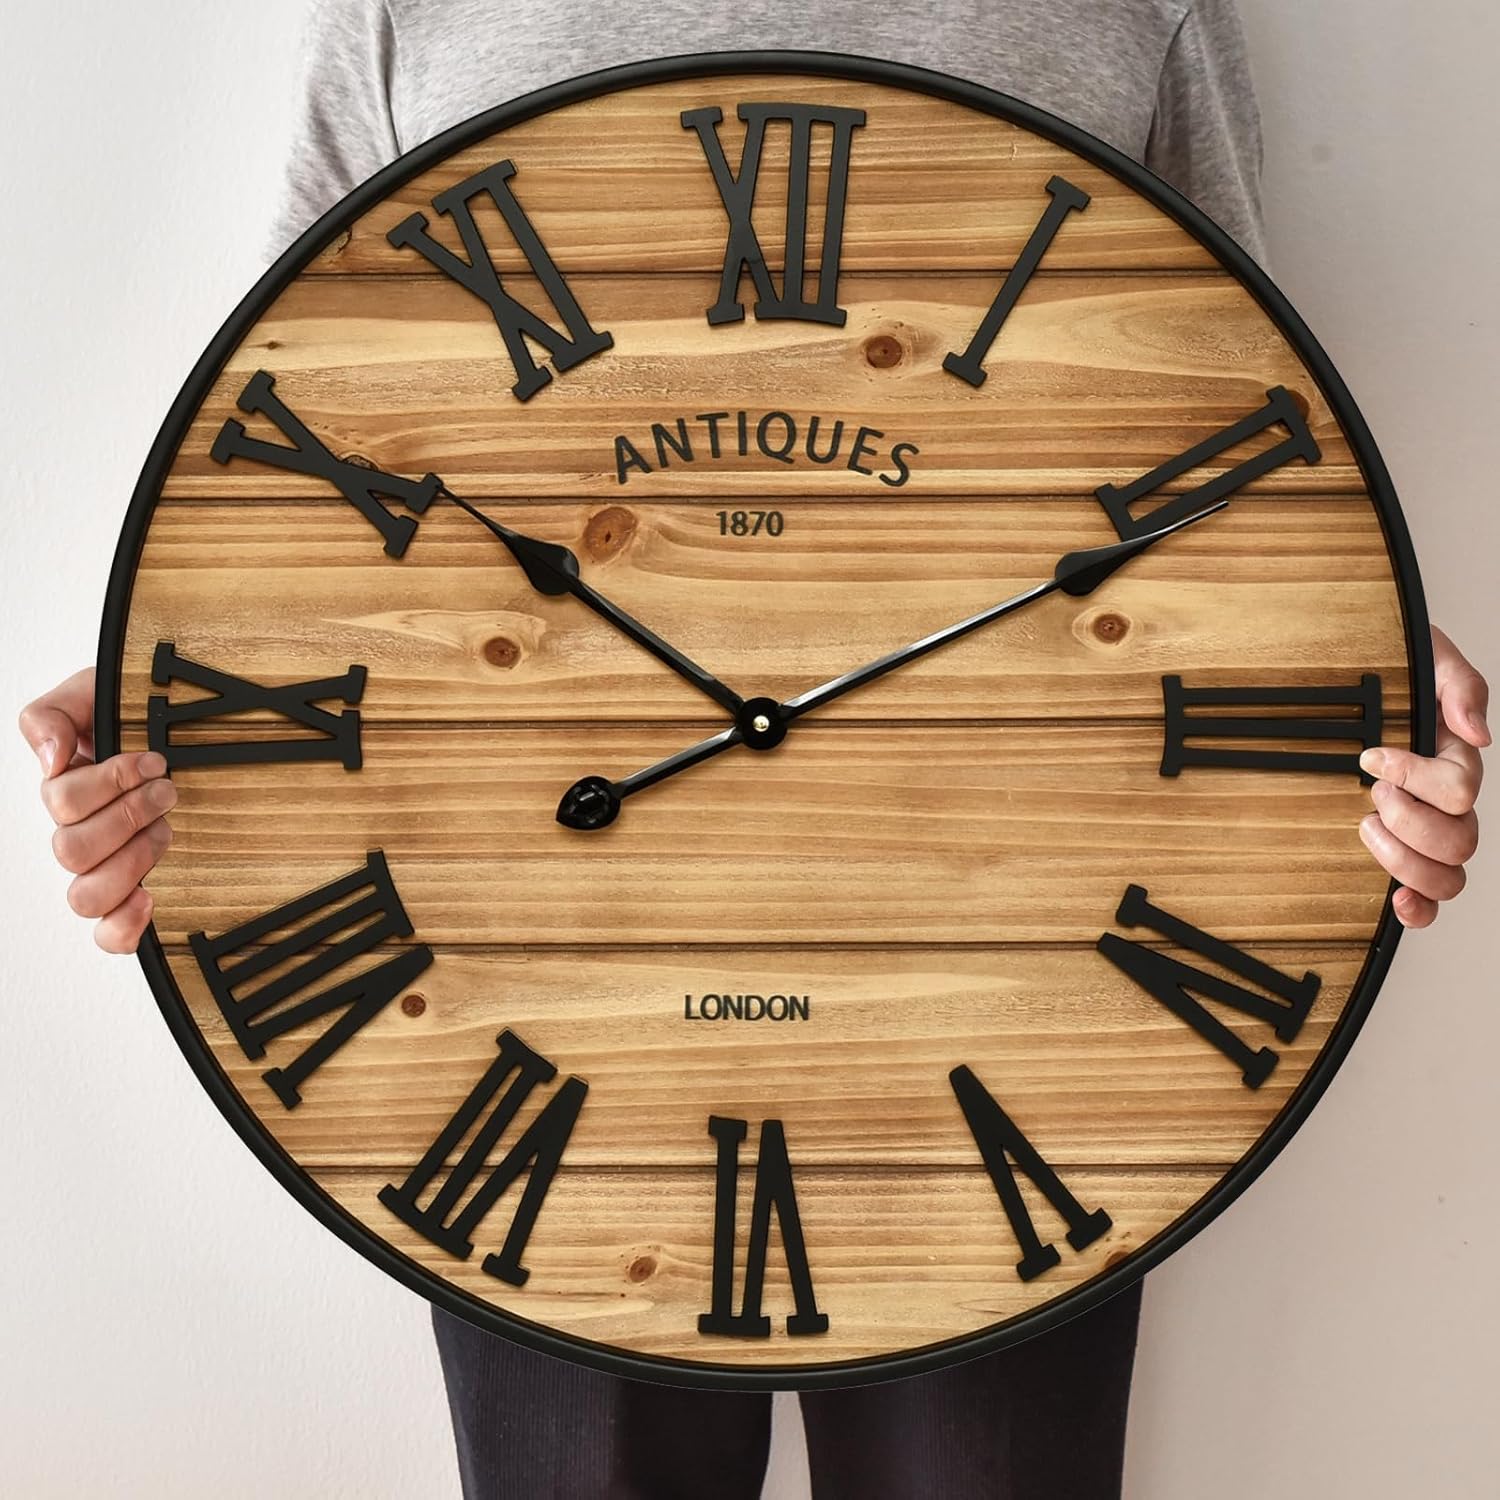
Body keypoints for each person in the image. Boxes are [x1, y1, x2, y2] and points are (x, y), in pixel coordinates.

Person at [18, 3, 1490, 1496]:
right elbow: (289, 449)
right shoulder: (415, 11)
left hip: (1020, 1009)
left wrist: (1364, 647)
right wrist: (152, 685)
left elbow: (1242, 437)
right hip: (528, 1011)